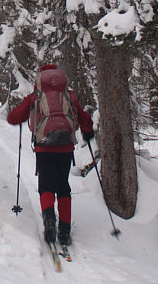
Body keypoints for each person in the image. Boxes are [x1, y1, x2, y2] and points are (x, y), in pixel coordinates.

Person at [7, 63, 94, 246]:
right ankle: (65, 230)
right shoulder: (69, 95)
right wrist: (87, 132)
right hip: (66, 148)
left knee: (46, 186)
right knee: (63, 187)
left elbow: (13, 118)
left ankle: (49, 219)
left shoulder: (36, 96)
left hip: (44, 148)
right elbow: (84, 119)